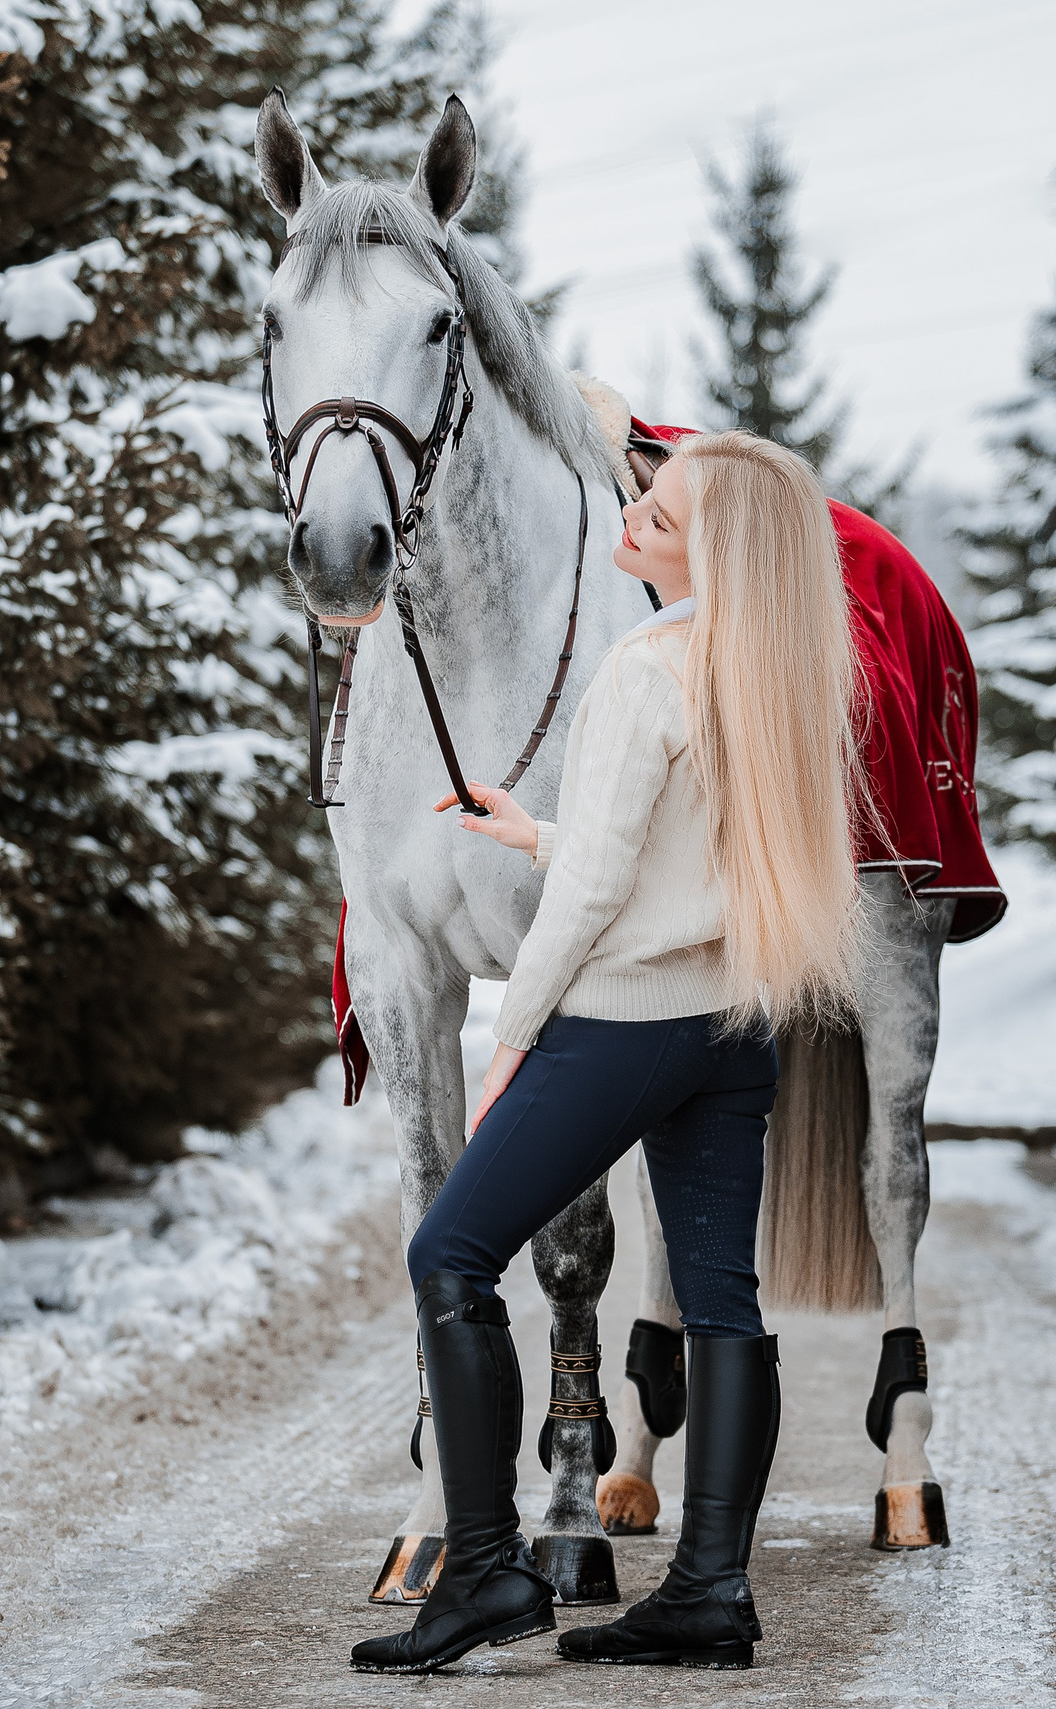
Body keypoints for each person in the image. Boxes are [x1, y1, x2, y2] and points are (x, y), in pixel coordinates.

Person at [347, 431, 867, 1675]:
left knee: (449, 1253)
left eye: (662, 510)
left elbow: (592, 898)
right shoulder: (774, 670)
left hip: (627, 1020)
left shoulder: (641, 667)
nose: (634, 510)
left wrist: (514, 1031)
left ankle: (480, 1570)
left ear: (715, 546)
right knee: (724, 1304)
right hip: (734, 1023)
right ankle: (709, 1594)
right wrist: (537, 834)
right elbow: (668, 848)